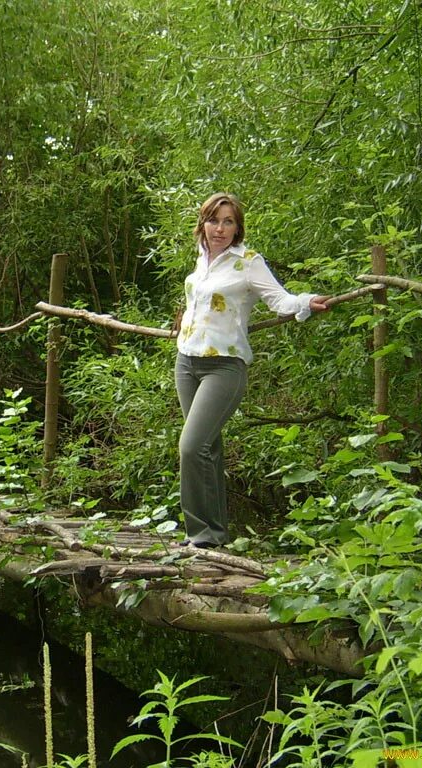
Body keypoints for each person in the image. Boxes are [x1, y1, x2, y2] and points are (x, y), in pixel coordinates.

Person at [174, 192, 328, 548]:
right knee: (207, 449)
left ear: (238, 227)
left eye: (229, 222)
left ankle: (200, 536)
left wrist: (306, 302)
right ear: (203, 223)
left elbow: (280, 299)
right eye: (214, 220)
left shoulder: (249, 262)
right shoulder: (201, 261)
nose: (220, 228)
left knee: (191, 446)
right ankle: (211, 536)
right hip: (186, 362)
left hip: (224, 367)